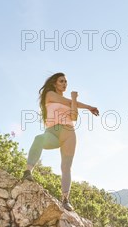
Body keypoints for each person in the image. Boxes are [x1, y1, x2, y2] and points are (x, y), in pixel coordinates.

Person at [22, 72, 99, 211]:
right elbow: (68, 102)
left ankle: (65, 199)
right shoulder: (50, 95)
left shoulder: (70, 101)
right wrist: (87, 106)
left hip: (68, 133)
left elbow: (74, 117)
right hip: (52, 132)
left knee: (66, 167)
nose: (64, 84)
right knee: (39, 139)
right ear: (54, 83)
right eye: (61, 81)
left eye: (65, 82)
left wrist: (75, 100)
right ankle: (27, 172)